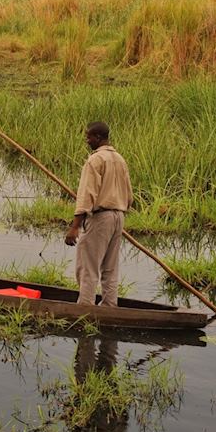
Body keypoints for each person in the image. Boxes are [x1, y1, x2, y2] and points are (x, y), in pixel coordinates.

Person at [64, 122, 133, 306]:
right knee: (110, 267)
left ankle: (85, 308)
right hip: (119, 216)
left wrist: (75, 227)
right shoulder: (120, 159)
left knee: (88, 266)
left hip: (101, 217)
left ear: (99, 138)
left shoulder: (95, 160)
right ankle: (110, 306)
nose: (87, 140)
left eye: (89, 137)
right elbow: (129, 197)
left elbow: (86, 196)